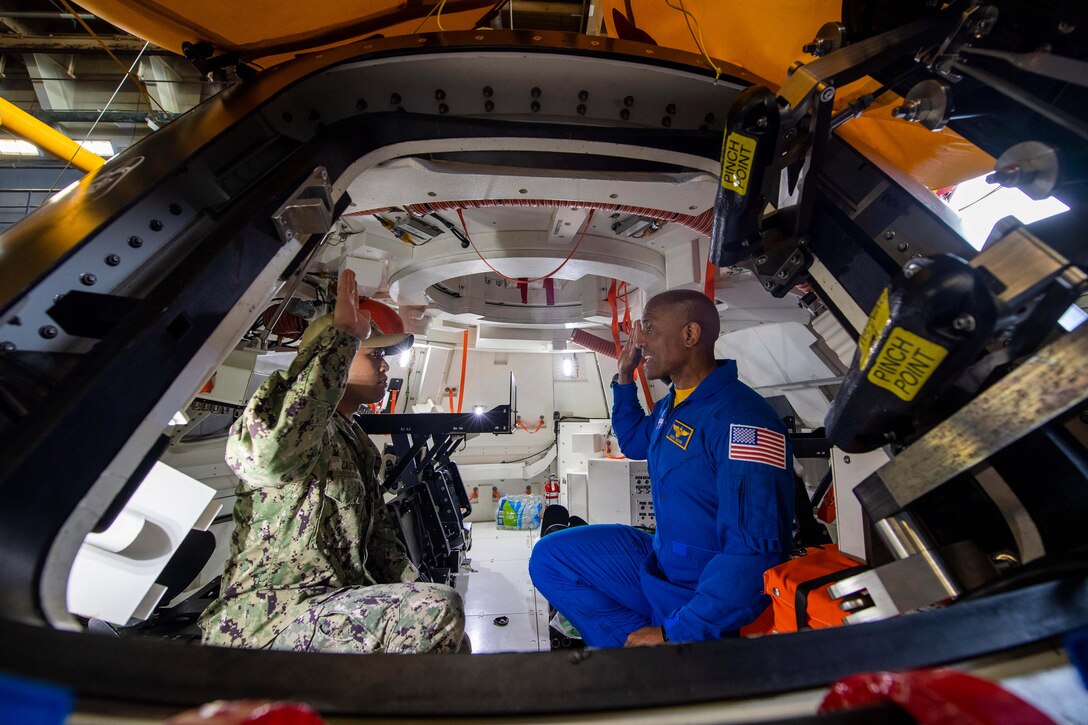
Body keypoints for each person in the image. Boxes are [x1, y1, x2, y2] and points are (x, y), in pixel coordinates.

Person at [199, 270, 465, 654]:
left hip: (328, 604)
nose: (385, 368)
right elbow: (269, 458)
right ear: (334, 357)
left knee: (448, 627)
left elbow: (379, 542)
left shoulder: (353, 440)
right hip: (269, 618)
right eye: (374, 355)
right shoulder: (287, 426)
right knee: (436, 611)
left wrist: (414, 587)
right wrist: (343, 338)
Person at [529, 289, 795, 647]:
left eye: (649, 329)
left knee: (670, 628)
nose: (639, 341)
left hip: (700, 585)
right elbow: (637, 442)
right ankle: (636, 644)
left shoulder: (743, 421)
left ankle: (662, 646)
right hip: (663, 560)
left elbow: (753, 554)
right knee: (550, 557)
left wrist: (676, 633)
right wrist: (624, 377)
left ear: (690, 335)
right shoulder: (676, 402)